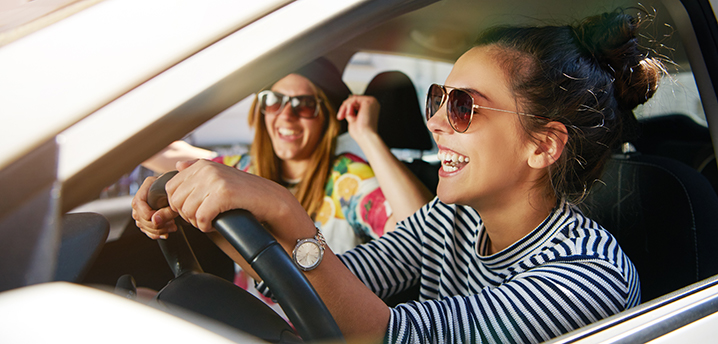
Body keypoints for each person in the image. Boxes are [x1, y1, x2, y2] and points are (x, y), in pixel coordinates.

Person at [133, 10, 663, 343]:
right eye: (438, 98)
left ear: (541, 145)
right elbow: (322, 283)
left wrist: (286, 211)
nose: (434, 121)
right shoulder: (450, 219)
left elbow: (390, 336)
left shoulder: (588, 275)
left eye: (462, 107)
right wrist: (203, 210)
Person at [141, 58, 433, 254]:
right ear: (262, 110)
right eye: (274, 101)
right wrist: (151, 201)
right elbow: (167, 155)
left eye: (304, 105)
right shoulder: (242, 172)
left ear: (326, 119)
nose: (287, 115)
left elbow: (422, 234)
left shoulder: (346, 179)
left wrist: (368, 136)